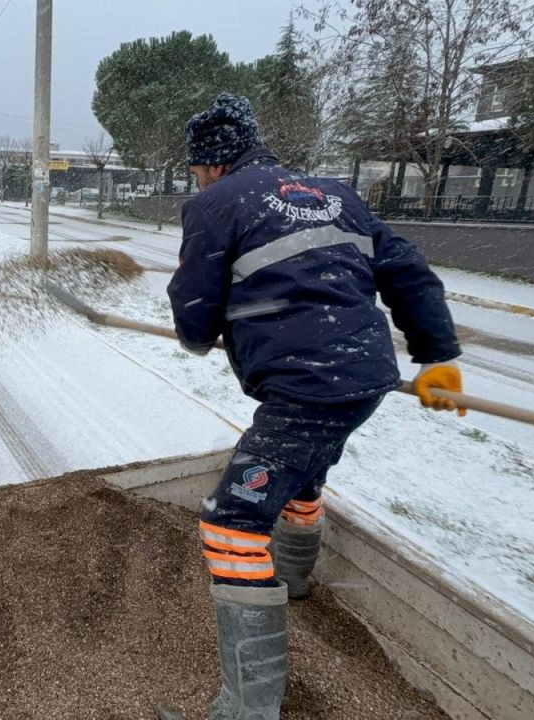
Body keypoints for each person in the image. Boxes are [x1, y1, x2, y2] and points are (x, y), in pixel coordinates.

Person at [169, 93, 463, 720]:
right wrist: (438, 357)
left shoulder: (216, 204)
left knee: (230, 523)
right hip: (362, 378)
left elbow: (194, 303)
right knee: (301, 476)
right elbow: (407, 267)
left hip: (308, 385)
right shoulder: (338, 194)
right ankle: (296, 582)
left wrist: (198, 336)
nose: (196, 178)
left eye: (196, 168)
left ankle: (247, 712)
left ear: (212, 163)